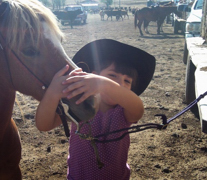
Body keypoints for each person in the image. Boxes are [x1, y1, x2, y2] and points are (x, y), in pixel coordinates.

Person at [35, 39, 156, 180]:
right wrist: (53, 92)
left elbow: (139, 109)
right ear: (92, 76)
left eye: (127, 81)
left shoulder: (124, 111)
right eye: (112, 76)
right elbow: (44, 125)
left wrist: (105, 84)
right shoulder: (79, 105)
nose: (119, 84)